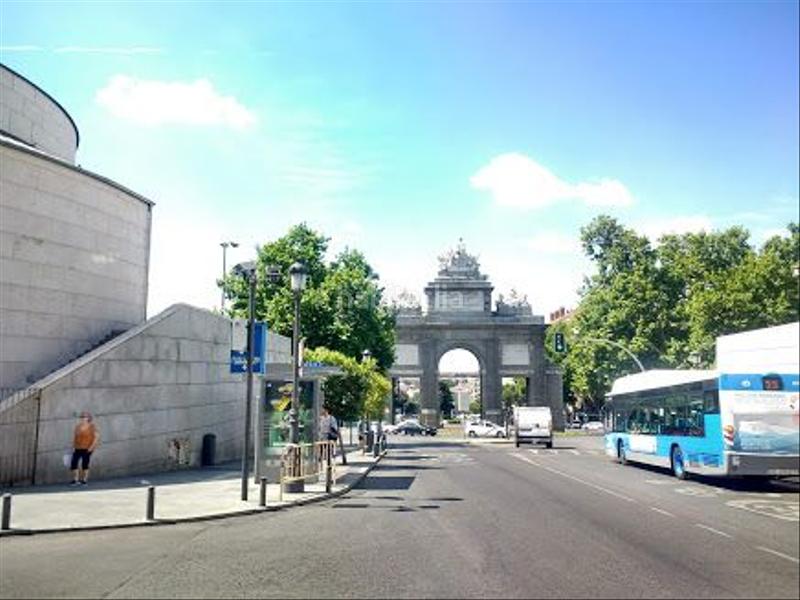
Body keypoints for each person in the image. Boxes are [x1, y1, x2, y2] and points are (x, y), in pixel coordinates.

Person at [70, 411, 99, 485]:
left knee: (85, 464)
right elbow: (75, 437)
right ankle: (75, 480)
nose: (83, 418)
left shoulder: (92, 426)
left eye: (84, 417)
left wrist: (91, 448)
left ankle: (84, 480)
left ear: (88, 418)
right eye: (81, 417)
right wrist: (73, 446)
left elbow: (96, 438)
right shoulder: (78, 426)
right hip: (77, 447)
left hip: (87, 448)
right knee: (74, 463)